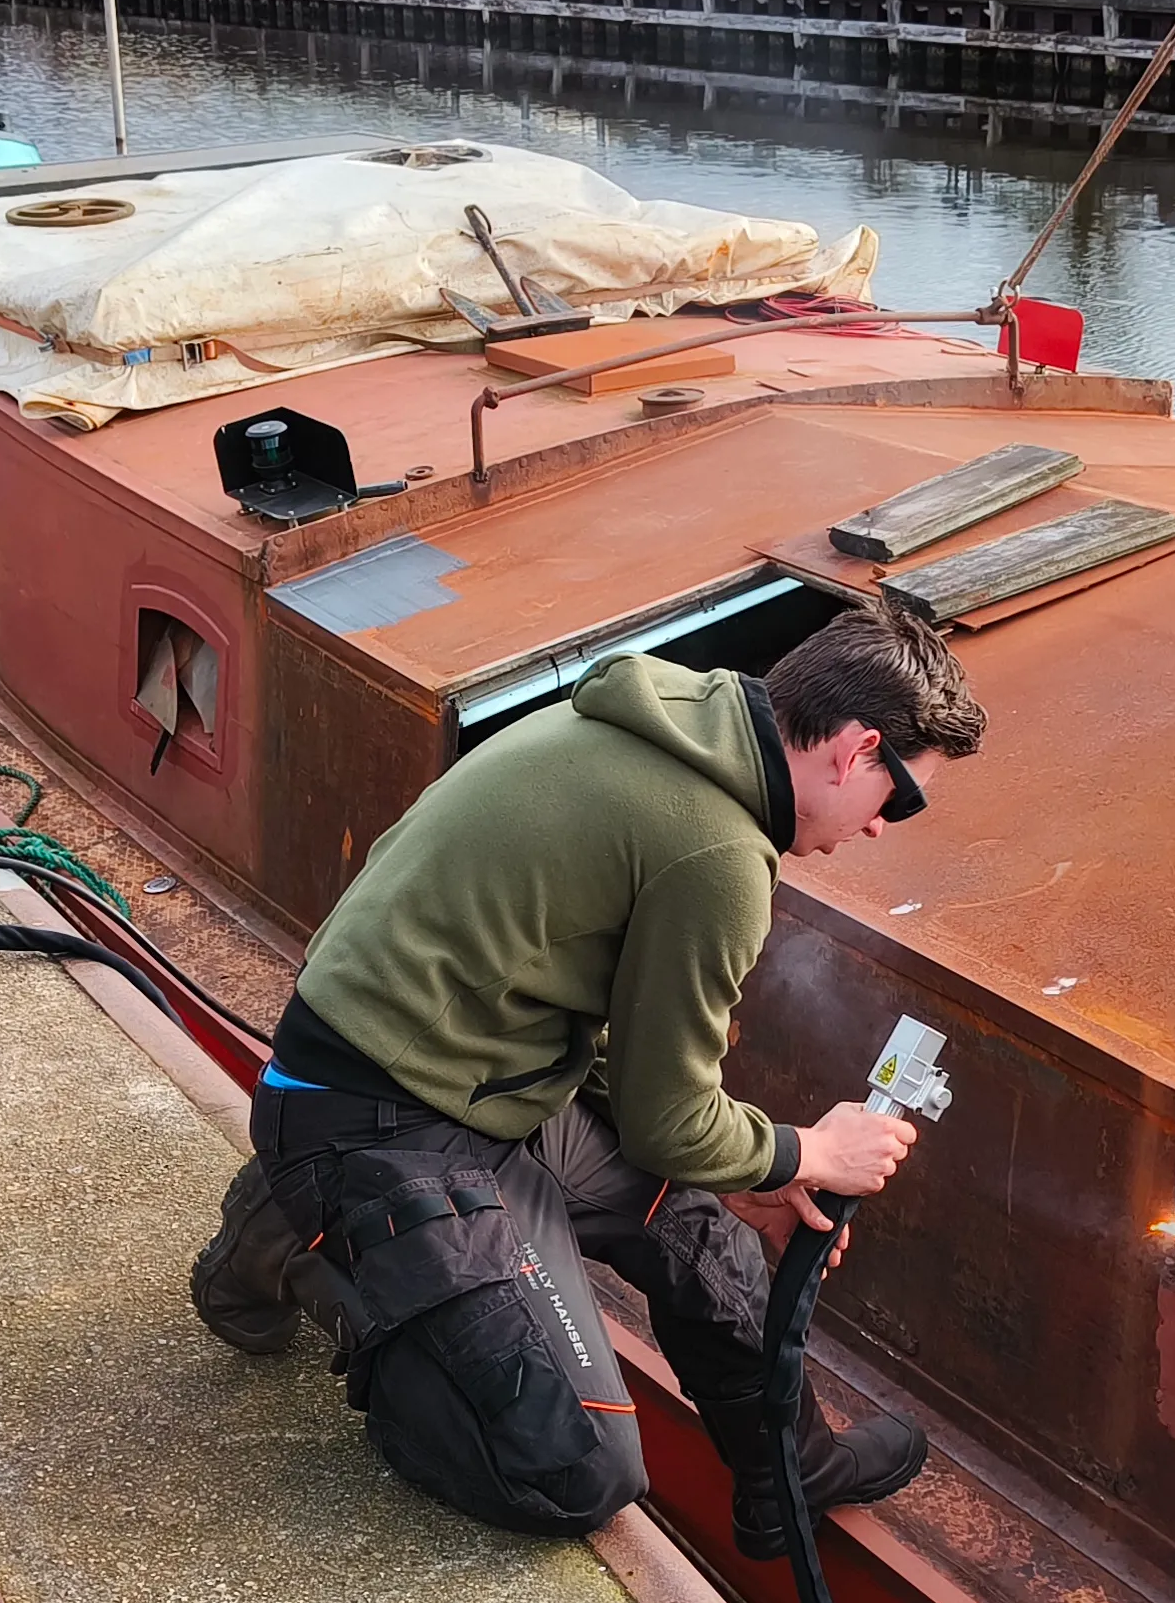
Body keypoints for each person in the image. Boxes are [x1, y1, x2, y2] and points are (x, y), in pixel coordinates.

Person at [188, 602, 987, 1545]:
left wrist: (751, 1171)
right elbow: (667, 1122)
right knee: (578, 1470)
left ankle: (788, 1471)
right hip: (381, 1113)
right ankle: (344, 1269)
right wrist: (809, 1150)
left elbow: (631, 1069)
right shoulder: (721, 852)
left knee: (701, 1226)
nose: (885, 827)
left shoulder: (662, 721)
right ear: (856, 751)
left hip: (466, 1070)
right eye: (901, 799)